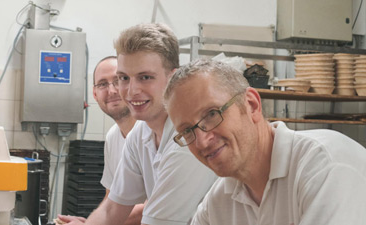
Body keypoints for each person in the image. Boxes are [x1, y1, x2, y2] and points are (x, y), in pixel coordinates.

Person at [163, 58, 366, 225]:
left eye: (212, 114)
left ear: (251, 105)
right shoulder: (219, 202)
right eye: (187, 131)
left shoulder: (325, 166)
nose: (202, 142)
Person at [84, 23, 217, 225]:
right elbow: (112, 211)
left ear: (173, 79)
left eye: (145, 77)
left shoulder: (190, 138)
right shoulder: (140, 133)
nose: (131, 90)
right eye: (124, 78)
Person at [57, 56, 143, 225]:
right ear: (95, 94)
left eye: (118, 80)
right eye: (103, 84)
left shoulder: (150, 132)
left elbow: (153, 206)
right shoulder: (113, 137)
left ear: (130, 85)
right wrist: (90, 221)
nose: (111, 91)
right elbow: (111, 199)